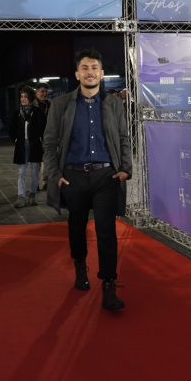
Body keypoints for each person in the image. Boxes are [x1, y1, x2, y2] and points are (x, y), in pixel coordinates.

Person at [43, 49, 132, 311]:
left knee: (107, 231)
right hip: (73, 177)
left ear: (102, 73)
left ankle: (108, 284)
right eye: (84, 67)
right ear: (76, 74)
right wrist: (55, 175)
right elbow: (49, 142)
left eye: (94, 67)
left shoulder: (114, 103)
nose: (90, 72)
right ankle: (80, 266)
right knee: (76, 226)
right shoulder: (61, 104)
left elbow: (124, 138)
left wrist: (125, 169)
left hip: (106, 176)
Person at [9, 87, 46, 208]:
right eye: (21, 96)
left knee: (35, 172)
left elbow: (44, 127)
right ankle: (21, 197)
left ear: (30, 98)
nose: (23, 99)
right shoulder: (17, 112)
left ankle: (32, 196)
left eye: (25, 96)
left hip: (35, 145)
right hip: (21, 145)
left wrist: (41, 139)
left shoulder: (38, 112)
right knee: (22, 172)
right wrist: (16, 140)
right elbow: (11, 129)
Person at [33, 83, 52, 191]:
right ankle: (34, 184)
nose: (45, 94)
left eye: (46, 92)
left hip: (48, 137)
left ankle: (46, 183)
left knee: (47, 161)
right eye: (42, 91)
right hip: (36, 137)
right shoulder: (32, 104)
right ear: (36, 92)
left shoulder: (51, 104)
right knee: (36, 162)